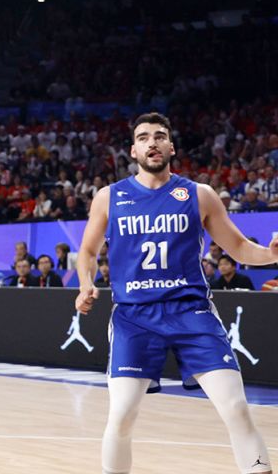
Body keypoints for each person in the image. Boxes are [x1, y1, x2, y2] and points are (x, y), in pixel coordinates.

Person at [76, 112, 277, 474]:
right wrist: (85, 282)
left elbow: (240, 248)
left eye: (159, 136)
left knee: (235, 407)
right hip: (134, 317)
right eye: (143, 137)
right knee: (121, 415)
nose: (152, 142)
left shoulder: (199, 195)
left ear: (171, 146)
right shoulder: (110, 197)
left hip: (191, 312)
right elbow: (88, 252)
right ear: (133, 151)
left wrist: (272, 256)